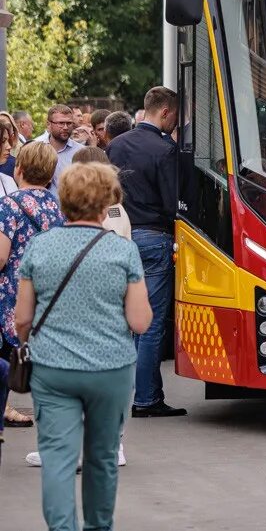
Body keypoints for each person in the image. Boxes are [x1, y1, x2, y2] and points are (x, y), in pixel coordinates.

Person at [16, 160, 152, 531]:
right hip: (110, 368)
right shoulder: (123, 252)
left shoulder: (40, 247)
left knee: (58, 459)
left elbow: (23, 318)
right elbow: (140, 321)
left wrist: (31, 346)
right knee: (102, 458)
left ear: (64, 200)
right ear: (107, 199)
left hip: (53, 368)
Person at [104, 85, 185, 418]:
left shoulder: (117, 145)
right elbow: (172, 204)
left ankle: (123, 391)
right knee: (149, 322)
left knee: (122, 318)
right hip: (153, 238)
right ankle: (147, 397)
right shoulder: (165, 150)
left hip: (118, 234)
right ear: (164, 112)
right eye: (176, 116)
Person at [2, 140, 64, 431]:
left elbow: (1, 255)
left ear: (19, 169)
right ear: (51, 174)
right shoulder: (57, 206)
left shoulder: (9, 205)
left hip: (12, 295)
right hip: (47, 295)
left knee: (5, 363)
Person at [45, 104, 82, 186]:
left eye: (69, 123)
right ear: (48, 124)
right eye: (61, 123)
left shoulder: (81, 152)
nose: (65, 127)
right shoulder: (36, 149)